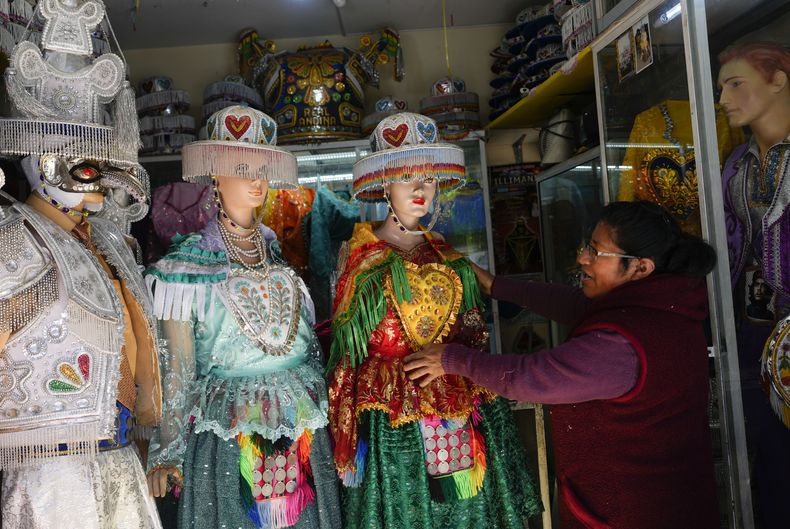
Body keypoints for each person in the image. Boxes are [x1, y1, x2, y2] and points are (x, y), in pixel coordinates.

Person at [405, 200, 721, 529]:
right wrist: (495, 286)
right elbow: (574, 304)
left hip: (635, 510)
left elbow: (534, 377)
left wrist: (452, 358)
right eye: (587, 246)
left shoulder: (624, 344)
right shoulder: (659, 305)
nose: (582, 258)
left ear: (640, 268)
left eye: (596, 252)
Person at [327, 112, 541, 529]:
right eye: (407, 178)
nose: (421, 189)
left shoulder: (447, 253)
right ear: (385, 185)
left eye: (427, 178)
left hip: (458, 401)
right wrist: (345, 428)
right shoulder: (360, 258)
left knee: (468, 509)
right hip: (391, 414)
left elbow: (473, 330)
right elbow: (346, 352)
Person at [0, 0, 162, 526]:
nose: (100, 179)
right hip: (53, 478)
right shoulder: (13, 241)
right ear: (40, 160)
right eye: (86, 164)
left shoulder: (110, 242)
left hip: (119, 462)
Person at [144, 105, 341, 529]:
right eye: (242, 166)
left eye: (263, 168)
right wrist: (169, 452)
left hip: (303, 436)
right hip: (230, 440)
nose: (256, 180)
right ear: (215, 173)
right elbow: (176, 370)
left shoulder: (280, 262)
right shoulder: (185, 271)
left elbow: (308, 355)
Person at [718, 41, 790, 529]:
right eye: (721, 87)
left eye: (735, 83)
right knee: (765, 451)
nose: (723, 99)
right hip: (750, 327)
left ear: (778, 80)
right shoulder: (735, 165)